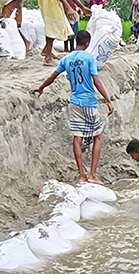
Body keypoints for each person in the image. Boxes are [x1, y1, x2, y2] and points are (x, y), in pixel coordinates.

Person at [31, 30, 114, 185]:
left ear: (77, 41)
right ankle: (93, 174)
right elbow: (96, 80)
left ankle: (82, 175)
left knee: (77, 138)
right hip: (88, 102)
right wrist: (108, 100)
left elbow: (52, 77)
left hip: (74, 102)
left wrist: (41, 87)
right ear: (88, 43)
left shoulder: (66, 59)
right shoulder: (89, 58)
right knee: (98, 136)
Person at [36, 0, 96, 65]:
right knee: (54, 23)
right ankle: (47, 58)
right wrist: (68, 8)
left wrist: (81, 7)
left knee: (59, 23)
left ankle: (46, 50)